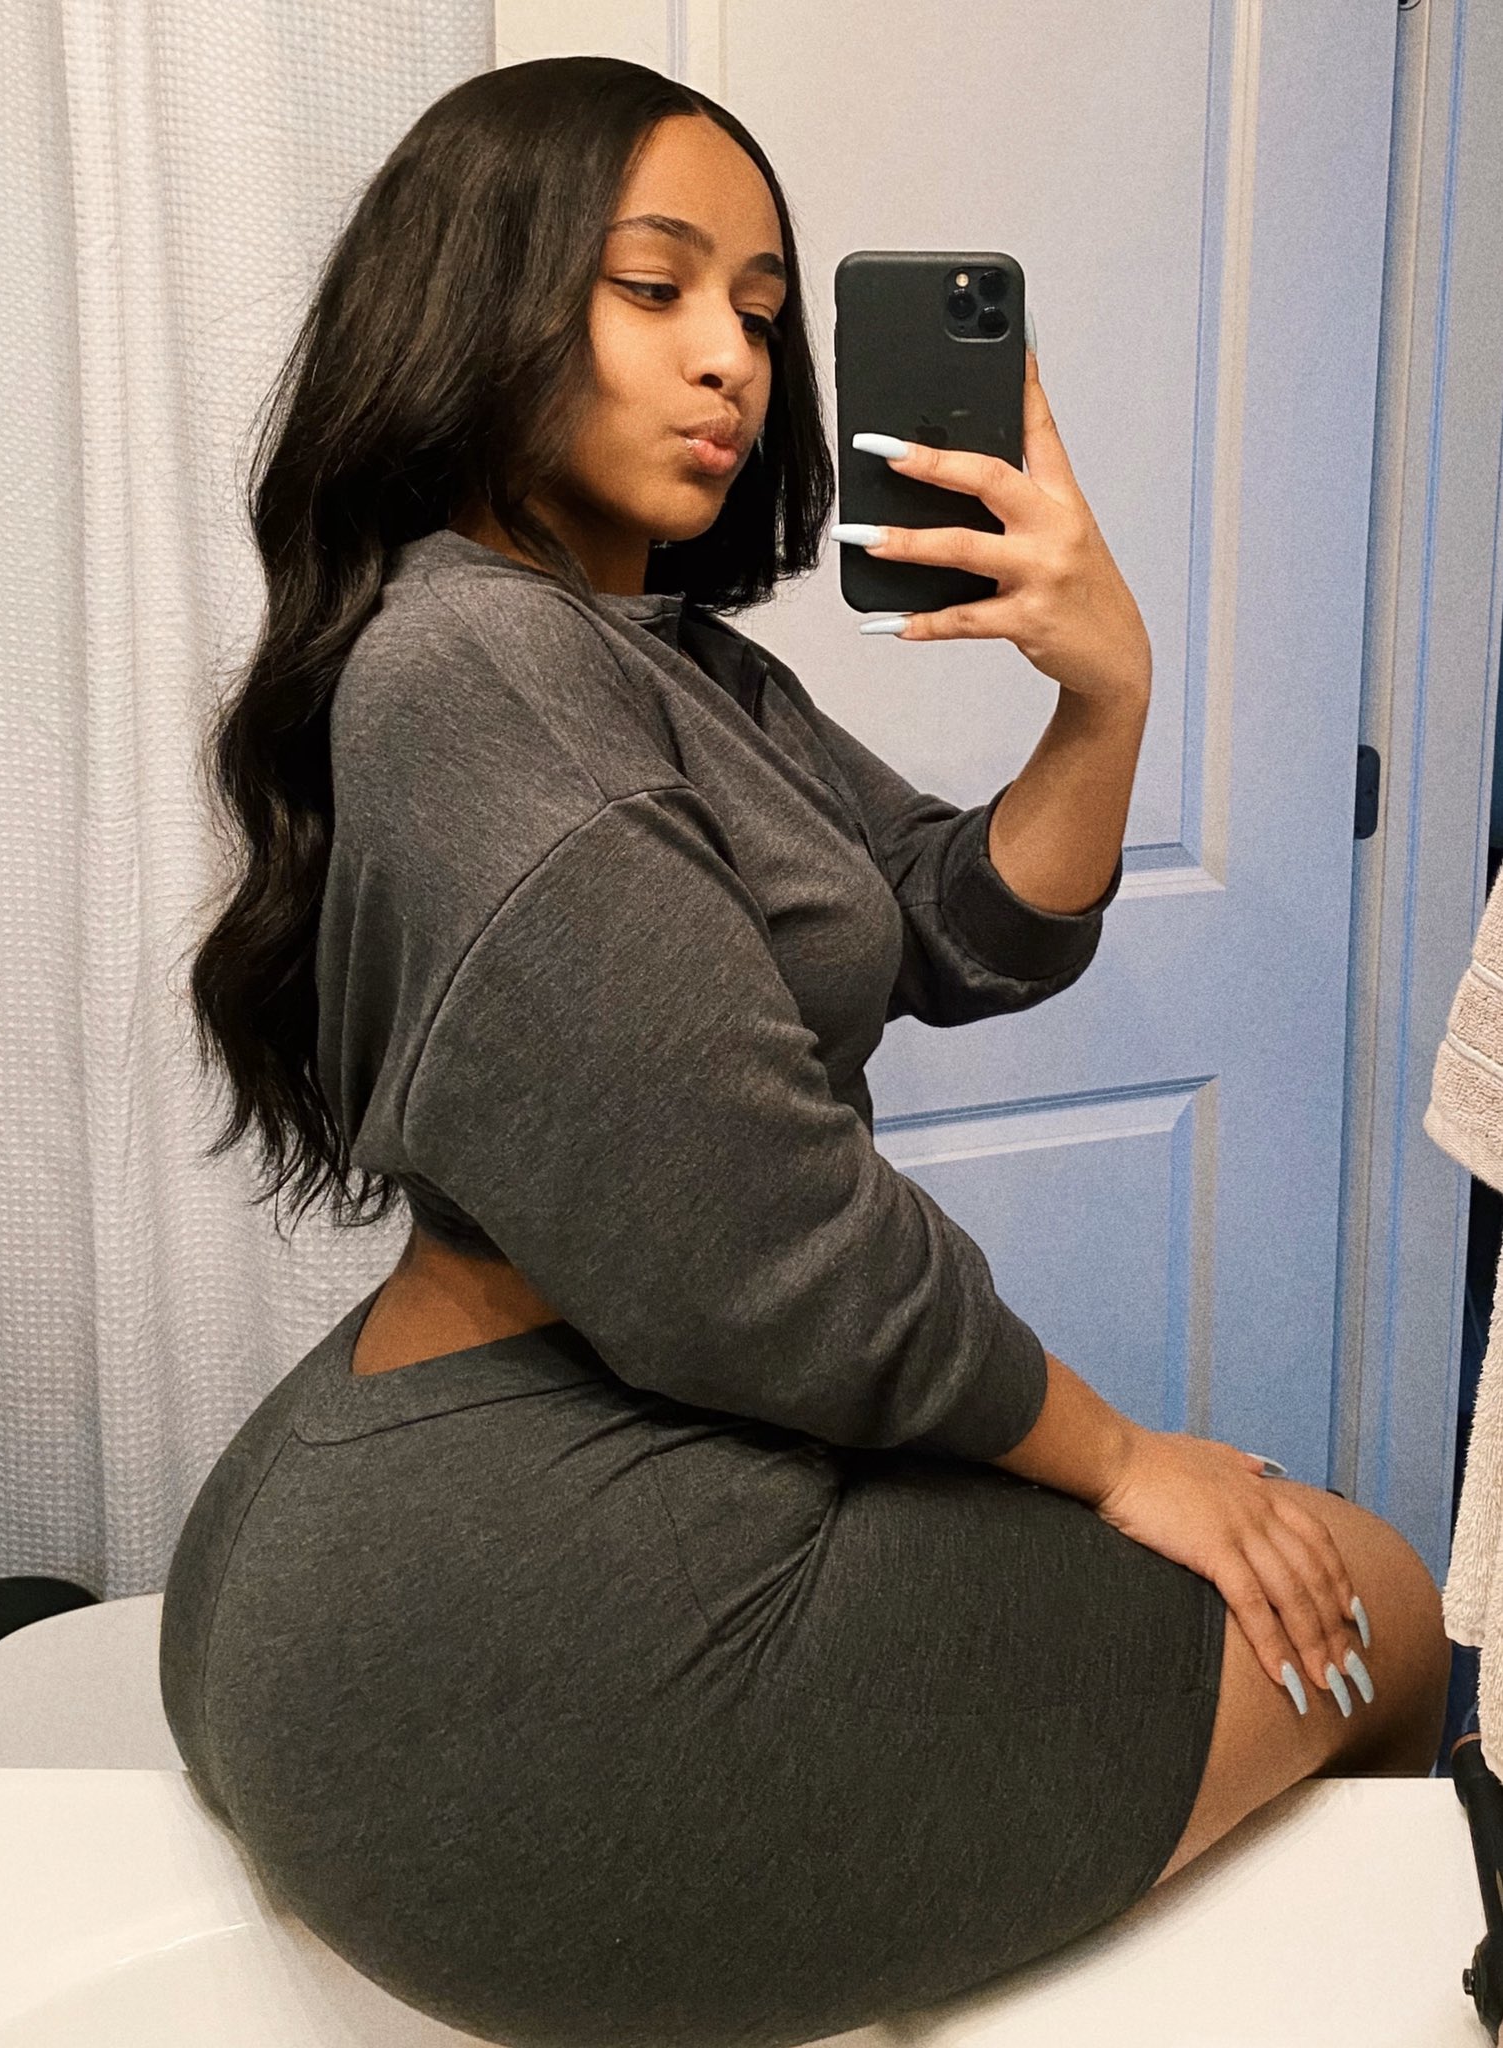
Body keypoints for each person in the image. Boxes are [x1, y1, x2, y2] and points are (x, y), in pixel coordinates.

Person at [159, 54, 1451, 2048]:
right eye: (653, 287)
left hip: (469, 1499)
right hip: (494, 1593)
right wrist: (1124, 1459)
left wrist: (1103, 696)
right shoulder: (479, 659)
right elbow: (757, 1240)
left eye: (761, 313)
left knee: (1284, 1544)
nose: (732, 362)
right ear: (474, 297)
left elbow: (954, 925)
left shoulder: (664, 663)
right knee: (1382, 1602)